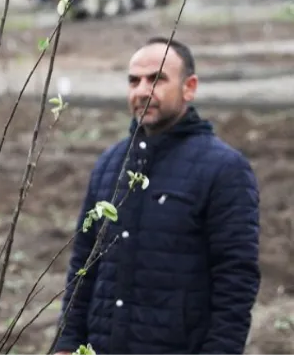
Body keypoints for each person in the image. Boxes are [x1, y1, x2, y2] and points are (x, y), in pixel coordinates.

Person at [52, 37, 261, 355]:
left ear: (188, 88)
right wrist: (67, 342)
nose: (142, 91)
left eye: (157, 79)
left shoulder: (224, 169)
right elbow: (84, 262)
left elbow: (236, 278)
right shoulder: (110, 165)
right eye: (134, 81)